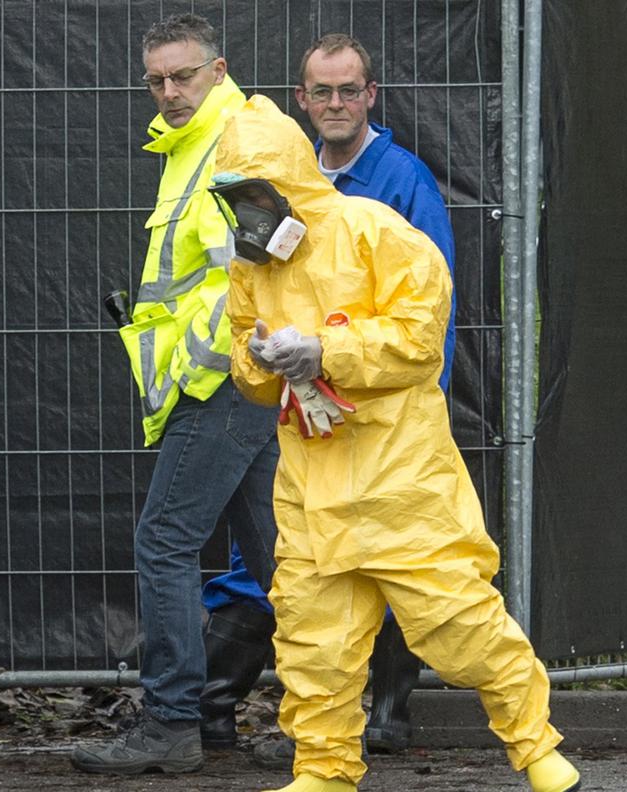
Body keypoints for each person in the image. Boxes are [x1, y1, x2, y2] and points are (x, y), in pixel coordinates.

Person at [211, 94, 581, 792]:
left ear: (287, 178)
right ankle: (323, 770)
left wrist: (328, 348)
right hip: (313, 489)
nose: (249, 210)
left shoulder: (372, 230)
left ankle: (536, 748)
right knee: (314, 643)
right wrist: (262, 363)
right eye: (235, 196)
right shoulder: (252, 268)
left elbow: (418, 337)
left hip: (401, 479)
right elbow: (243, 359)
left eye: (255, 191)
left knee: (460, 622)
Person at [201, 32, 458, 761]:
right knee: (304, 567)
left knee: (390, 559)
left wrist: (410, 410)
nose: (337, 104)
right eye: (323, 92)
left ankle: (385, 716)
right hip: (301, 415)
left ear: (370, 96)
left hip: (385, 419)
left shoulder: (401, 180)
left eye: (350, 90)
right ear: (302, 101)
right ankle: (293, 724)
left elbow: (429, 312)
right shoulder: (271, 183)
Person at [69, 13, 280, 776]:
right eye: (156, 79)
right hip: (231, 375)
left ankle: (169, 722)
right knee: (278, 556)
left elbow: (273, 259)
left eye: (183, 75)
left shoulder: (238, 142)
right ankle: (326, 716)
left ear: (218, 70)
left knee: (165, 541)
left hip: (223, 378)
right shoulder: (199, 142)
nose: (168, 91)